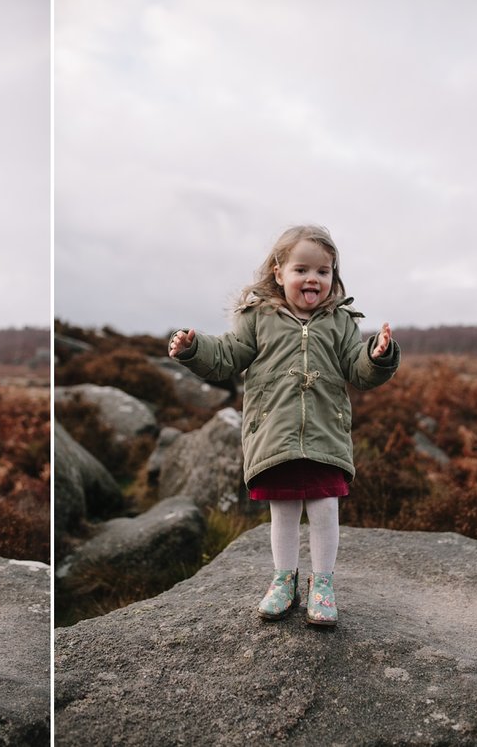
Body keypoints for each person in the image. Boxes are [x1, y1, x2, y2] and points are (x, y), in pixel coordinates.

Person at [168, 225, 399, 627]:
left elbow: (358, 370)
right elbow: (226, 356)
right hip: (274, 433)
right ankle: (284, 581)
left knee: (326, 507)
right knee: (285, 511)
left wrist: (378, 356)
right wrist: (194, 349)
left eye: (324, 272)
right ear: (278, 273)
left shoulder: (341, 322)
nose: (313, 279)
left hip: (326, 433)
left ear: (333, 276)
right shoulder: (257, 318)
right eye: (302, 269)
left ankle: (322, 584)